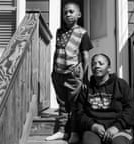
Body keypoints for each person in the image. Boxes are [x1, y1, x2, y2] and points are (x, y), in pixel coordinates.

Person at [45, 1, 93, 143]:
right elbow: (57, 51)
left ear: (79, 15)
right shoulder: (59, 31)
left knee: (74, 104)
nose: (67, 15)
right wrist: (53, 71)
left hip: (73, 74)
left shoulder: (82, 33)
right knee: (62, 103)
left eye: (71, 12)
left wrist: (84, 77)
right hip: (58, 73)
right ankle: (61, 131)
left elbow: (85, 56)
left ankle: (74, 132)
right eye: (65, 12)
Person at [76, 53, 134, 144]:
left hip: (120, 130)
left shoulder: (121, 85)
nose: (96, 66)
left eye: (101, 63)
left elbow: (130, 110)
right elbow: (79, 112)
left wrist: (116, 127)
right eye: (94, 64)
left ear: (109, 68)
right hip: (93, 130)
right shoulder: (86, 88)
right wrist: (92, 125)